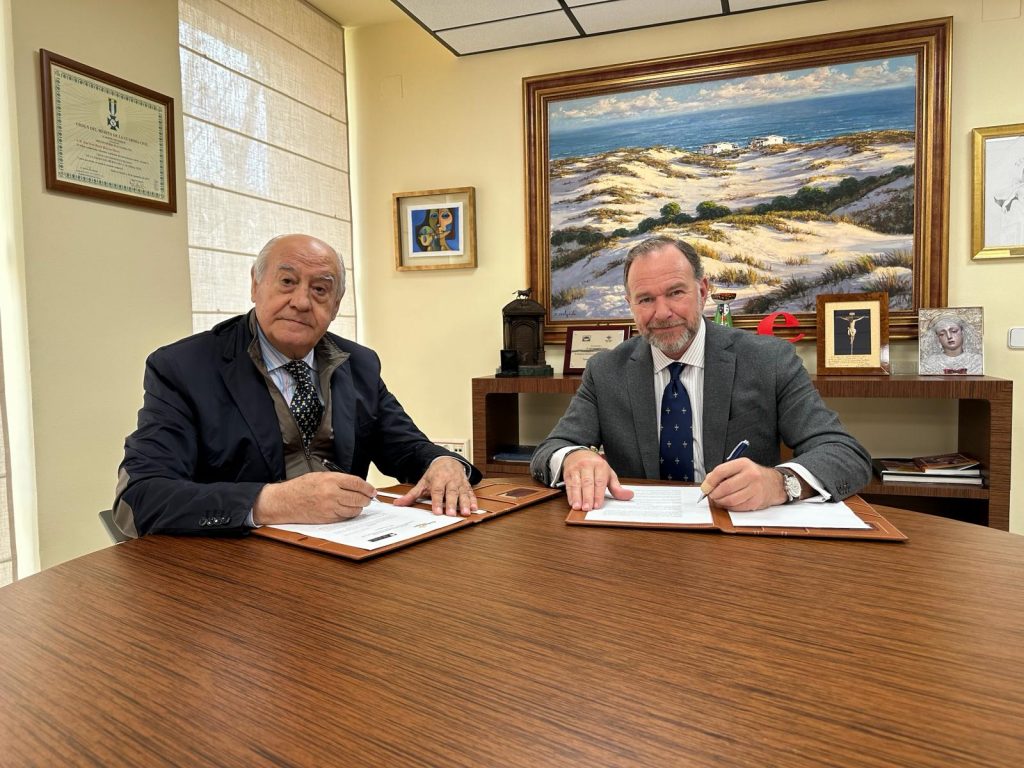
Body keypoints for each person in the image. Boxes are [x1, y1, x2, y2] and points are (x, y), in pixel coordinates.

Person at [113, 234, 481, 537]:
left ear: (335, 306)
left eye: (320, 289)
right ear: (256, 285)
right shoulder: (184, 368)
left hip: (345, 555)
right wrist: (271, 502)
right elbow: (141, 496)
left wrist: (443, 463)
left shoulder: (358, 364)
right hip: (232, 566)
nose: (302, 302)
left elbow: (407, 447)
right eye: (287, 282)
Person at [530, 236, 871, 512]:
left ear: (703, 291)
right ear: (630, 304)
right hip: (639, 537)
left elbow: (844, 453)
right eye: (645, 299)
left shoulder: (768, 360)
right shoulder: (606, 371)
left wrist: (780, 484)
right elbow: (550, 450)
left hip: (740, 539)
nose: (662, 313)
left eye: (676, 292)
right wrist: (573, 458)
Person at [919, 313, 984, 375]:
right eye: (942, 334)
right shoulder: (929, 363)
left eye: (954, 331)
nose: (949, 336)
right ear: (937, 338)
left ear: (963, 332)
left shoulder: (976, 360)